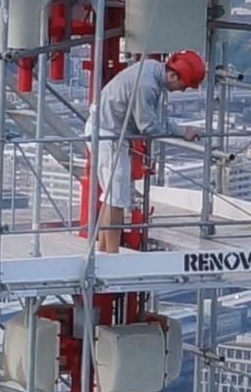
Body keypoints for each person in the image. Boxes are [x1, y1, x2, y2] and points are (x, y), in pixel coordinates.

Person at [84, 47, 206, 250]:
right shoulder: (147, 85)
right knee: (117, 199)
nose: (181, 90)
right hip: (110, 136)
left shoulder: (150, 68)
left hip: (105, 131)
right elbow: (148, 126)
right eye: (182, 85)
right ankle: (111, 255)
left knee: (111, 196)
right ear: (172, 74)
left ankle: (105, 251)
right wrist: (181, 131)